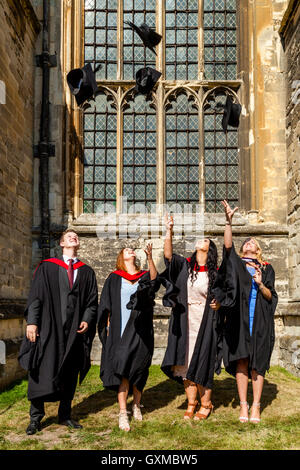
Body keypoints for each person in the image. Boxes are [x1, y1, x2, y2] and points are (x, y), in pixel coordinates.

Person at [18, 229, 98, 435]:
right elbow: (36, 297)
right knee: (40, 370)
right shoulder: (47, 268)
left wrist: (87, 320)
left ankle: (65, 415)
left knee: (69, 373)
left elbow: (91, 302)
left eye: (76, 236)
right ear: (62, 243)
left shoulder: (87, 272)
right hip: (48, 328)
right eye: (69, 236)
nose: (74, 238)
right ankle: (35, 418)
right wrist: (32, 323)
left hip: (73, 333)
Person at [212, 200, 278, 423]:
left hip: (259, 322)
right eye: (246, 242)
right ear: (243, 249)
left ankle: (256, 407)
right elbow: (227, 247)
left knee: (257, 364)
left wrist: (261, 284)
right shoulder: (237, 264)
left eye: (253, 242)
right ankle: (243, 405)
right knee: (241, 361)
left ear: (258, 250)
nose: (249, 243)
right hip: (238, 322)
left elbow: (271, 297)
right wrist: (228, 222)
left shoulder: (267, 268)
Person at [161, 214, 222, 421]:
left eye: (206, 240)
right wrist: (168, 230)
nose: (201, 240)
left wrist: (218, 303)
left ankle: (206, 404)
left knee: (203, 359)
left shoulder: (215, 273)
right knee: (184, 361)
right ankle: (191, 403)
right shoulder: (186, 265)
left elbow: (223, 294)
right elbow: (168, 256)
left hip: (205, 321)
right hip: (185, 318)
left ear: (210, 249)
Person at [98, 244, 162, 432]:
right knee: (123, 370)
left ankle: (136, 405)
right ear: (121, 257)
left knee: (140, 369)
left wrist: (150, 257)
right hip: (121, 330)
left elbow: (154, 282)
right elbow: (106, 304)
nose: (131, 250)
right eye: (126, 250)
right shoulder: (114, 278)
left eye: (132, 249)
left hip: (141, 329)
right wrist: (107, 326)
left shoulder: (143, 275)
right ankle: (122, 412)